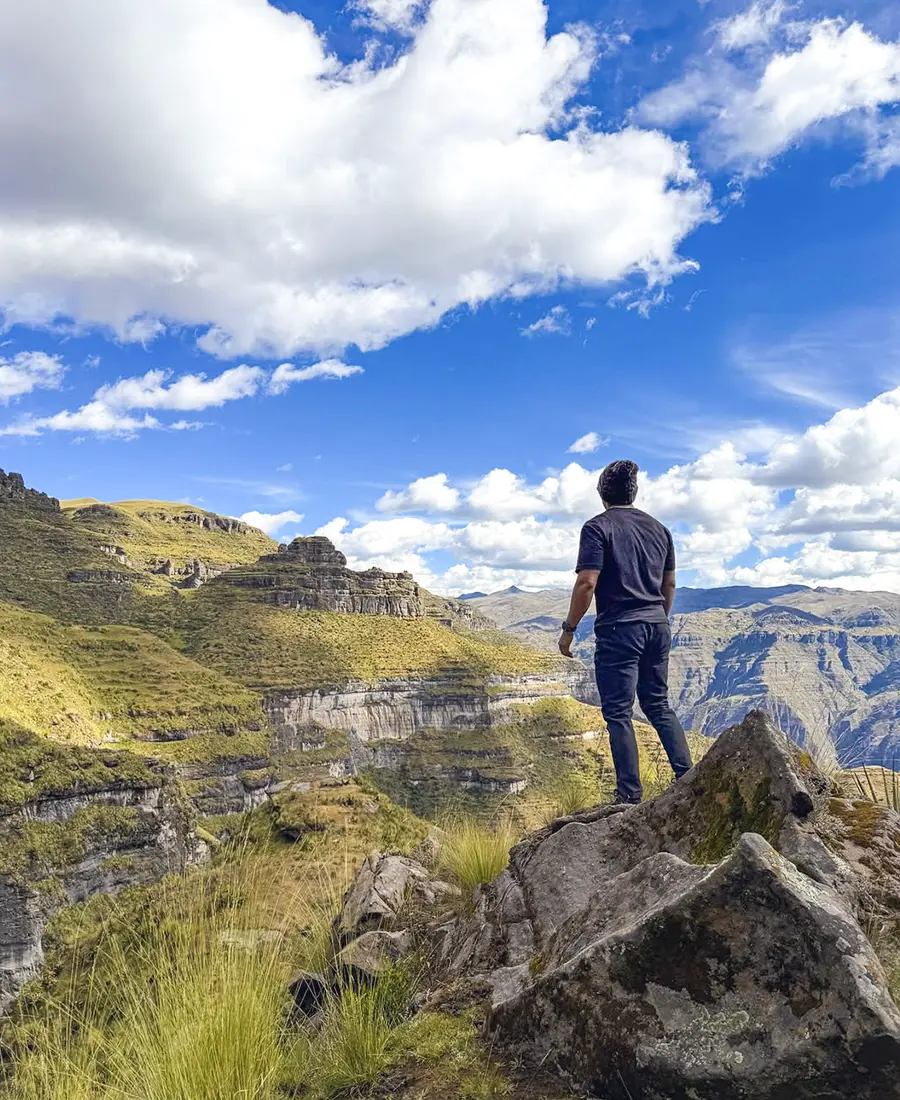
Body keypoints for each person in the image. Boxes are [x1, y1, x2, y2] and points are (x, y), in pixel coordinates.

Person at [557, 459, 693, 804]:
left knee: (618, 712)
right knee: (658, 704)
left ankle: (629, 795)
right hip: (657, 625)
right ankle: (689, 778)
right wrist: (658, 616)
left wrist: (569, 629)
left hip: (620, 629)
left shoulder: (597, 528)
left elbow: (587, 582)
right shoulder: (660, 529)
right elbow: (670, 582)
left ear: (602, 494)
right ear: (634, 492)